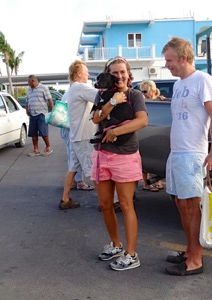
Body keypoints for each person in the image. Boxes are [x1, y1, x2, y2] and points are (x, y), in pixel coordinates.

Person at [162, 37, 212, 276]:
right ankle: (189, 250)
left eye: (170, 60)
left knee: (191, 206)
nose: (167, 65)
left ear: (184, 58)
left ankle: (196, 259)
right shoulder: (178, 85)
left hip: (192, 153)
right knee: (180, 203)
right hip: (176, 152)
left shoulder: (203, 80)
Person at [91, 56, 148, 271]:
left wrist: (115, 131)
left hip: (125, 155)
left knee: (125, 204)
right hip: (102, 154)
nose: (119, 76)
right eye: (114, 73)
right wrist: (112, 102)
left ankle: (131, 254)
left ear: (128, 73)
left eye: (122, 72)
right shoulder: (102, 94)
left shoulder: (135, 95)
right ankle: (116, 245)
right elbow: (96, 118)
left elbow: (142, 121)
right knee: (105, 204)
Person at [59, 60, 98, 210]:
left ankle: (65, 198)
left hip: (76, 136)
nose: (88, 73)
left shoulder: (72, 89)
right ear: (79, 73)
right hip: (84, 137)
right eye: (86, 71)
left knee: (73, 167)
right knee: (94, 171)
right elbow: (100, 96)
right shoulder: (81, 87)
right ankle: (107, 203)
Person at [59, 92, 94, 192]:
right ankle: (78, 181)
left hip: (67, 128)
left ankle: (72, 185)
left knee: (72, 157)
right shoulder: (78, 91)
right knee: (77, 158)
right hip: (73, 129)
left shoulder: (69, 92)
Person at [139, 80, 164, 192]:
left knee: (157, 156)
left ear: (152, 90)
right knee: (146, 158)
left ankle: (158, 181)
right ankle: (146, 183)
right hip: (145, 132)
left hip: (157, 133)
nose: (143, 93)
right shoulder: (142, 102)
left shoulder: (160, 101)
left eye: (145, 91)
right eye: (142, 91)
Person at [26, 75, 54, 156]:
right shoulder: (28, 90)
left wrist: (52, 111)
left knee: (43, 132)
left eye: (28, 81)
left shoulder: (43, 88)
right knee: (33, 133)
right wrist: (27, 109)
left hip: (42, 114)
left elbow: (49, 100)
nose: (28, 83)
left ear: (33, 81)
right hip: (32, 114)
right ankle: (36, 149)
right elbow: (27, 100)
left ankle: (48, 147)